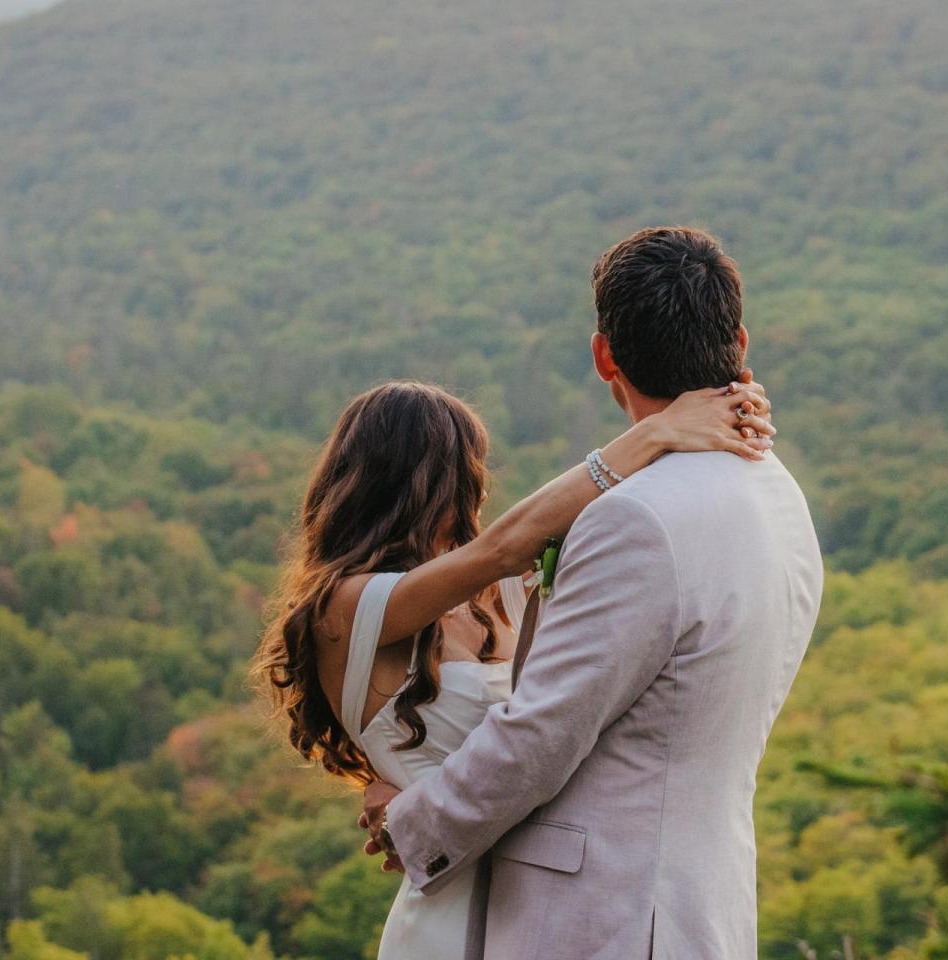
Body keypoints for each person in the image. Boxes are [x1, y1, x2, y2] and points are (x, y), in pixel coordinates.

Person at [359, 226, 824, 960]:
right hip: (704, 901)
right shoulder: (778, 490)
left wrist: (418, 822)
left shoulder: (635, 519)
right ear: (739, 340)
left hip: (604, 916)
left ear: (604, 355)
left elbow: (544, 732)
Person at [253, 367, 775, 955]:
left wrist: (723, 408)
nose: (478, 489)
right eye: (469, 469)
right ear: (425, 483)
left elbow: (583, 534)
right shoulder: (344, 609)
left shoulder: (489, 602)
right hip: (448, 921)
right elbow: (507, 545)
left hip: (541, 911)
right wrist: (658, 432)